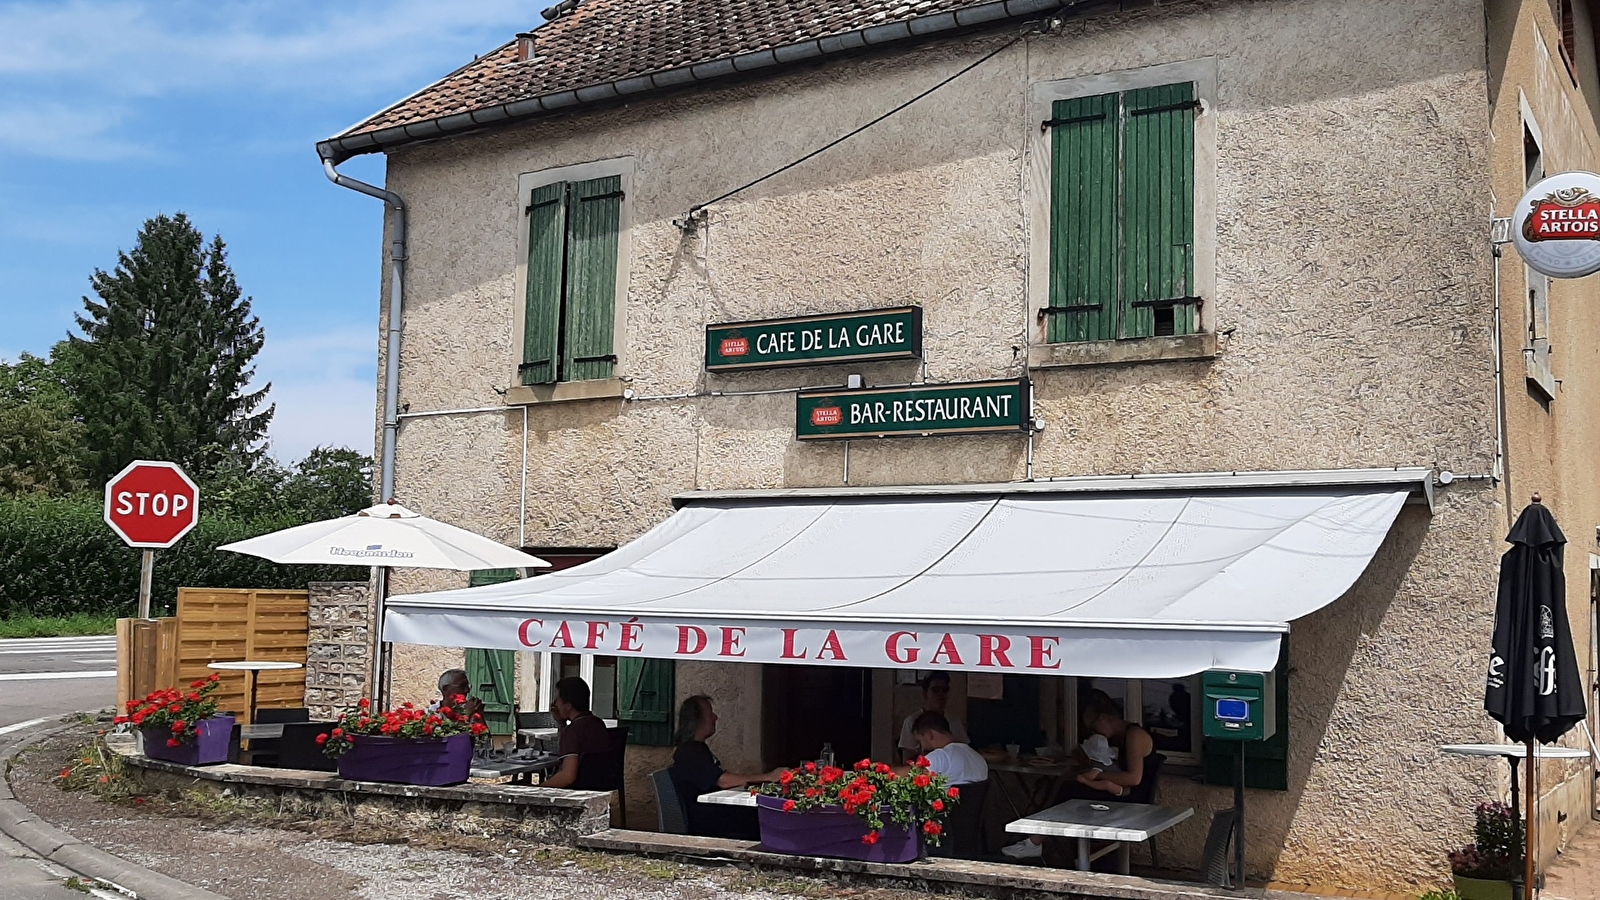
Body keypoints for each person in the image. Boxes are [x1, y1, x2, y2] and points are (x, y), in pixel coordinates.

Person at [1001, 693, 1156, 861]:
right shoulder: (1119, 737)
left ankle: (1036, 841)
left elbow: (1134, 778)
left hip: (1132, 796)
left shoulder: (1134, 735)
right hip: (1119, 790)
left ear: (1104, 718)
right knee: (1067, 786)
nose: (1094, 733)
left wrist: (1097, 776)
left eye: (1094, 727)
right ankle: (1041, 841)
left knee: (1071, 791)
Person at [668, 695, 785, 839]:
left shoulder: (696, 749)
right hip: (707, 822)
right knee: (763, 817)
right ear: (696, 720)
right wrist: (768, 777)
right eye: (710, 714)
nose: (715, 717)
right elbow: (723, 781)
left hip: (712, 816)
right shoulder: (690, 753)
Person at [541, 676, 610, 789]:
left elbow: (568, 776)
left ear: (568, 705)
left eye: (557, 700)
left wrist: (539, 788)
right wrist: (561, 723)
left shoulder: (573, 731)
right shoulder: (598, 724)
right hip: (596, 786)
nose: (555, 704)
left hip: (576, 790)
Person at [898, 711, 987, 785]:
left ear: (929, 734)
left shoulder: (940, 756)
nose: (921, 748)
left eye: (920, 742)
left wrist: (886, 769)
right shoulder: (979, 759)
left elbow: (903, 775)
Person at [898, 672, 968, 762]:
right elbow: (907, 758)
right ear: (925, 694)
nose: (940, 695)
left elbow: (963, 749)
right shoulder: (911, 721)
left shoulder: (954, 721)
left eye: (945, 690)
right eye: (935, 690)